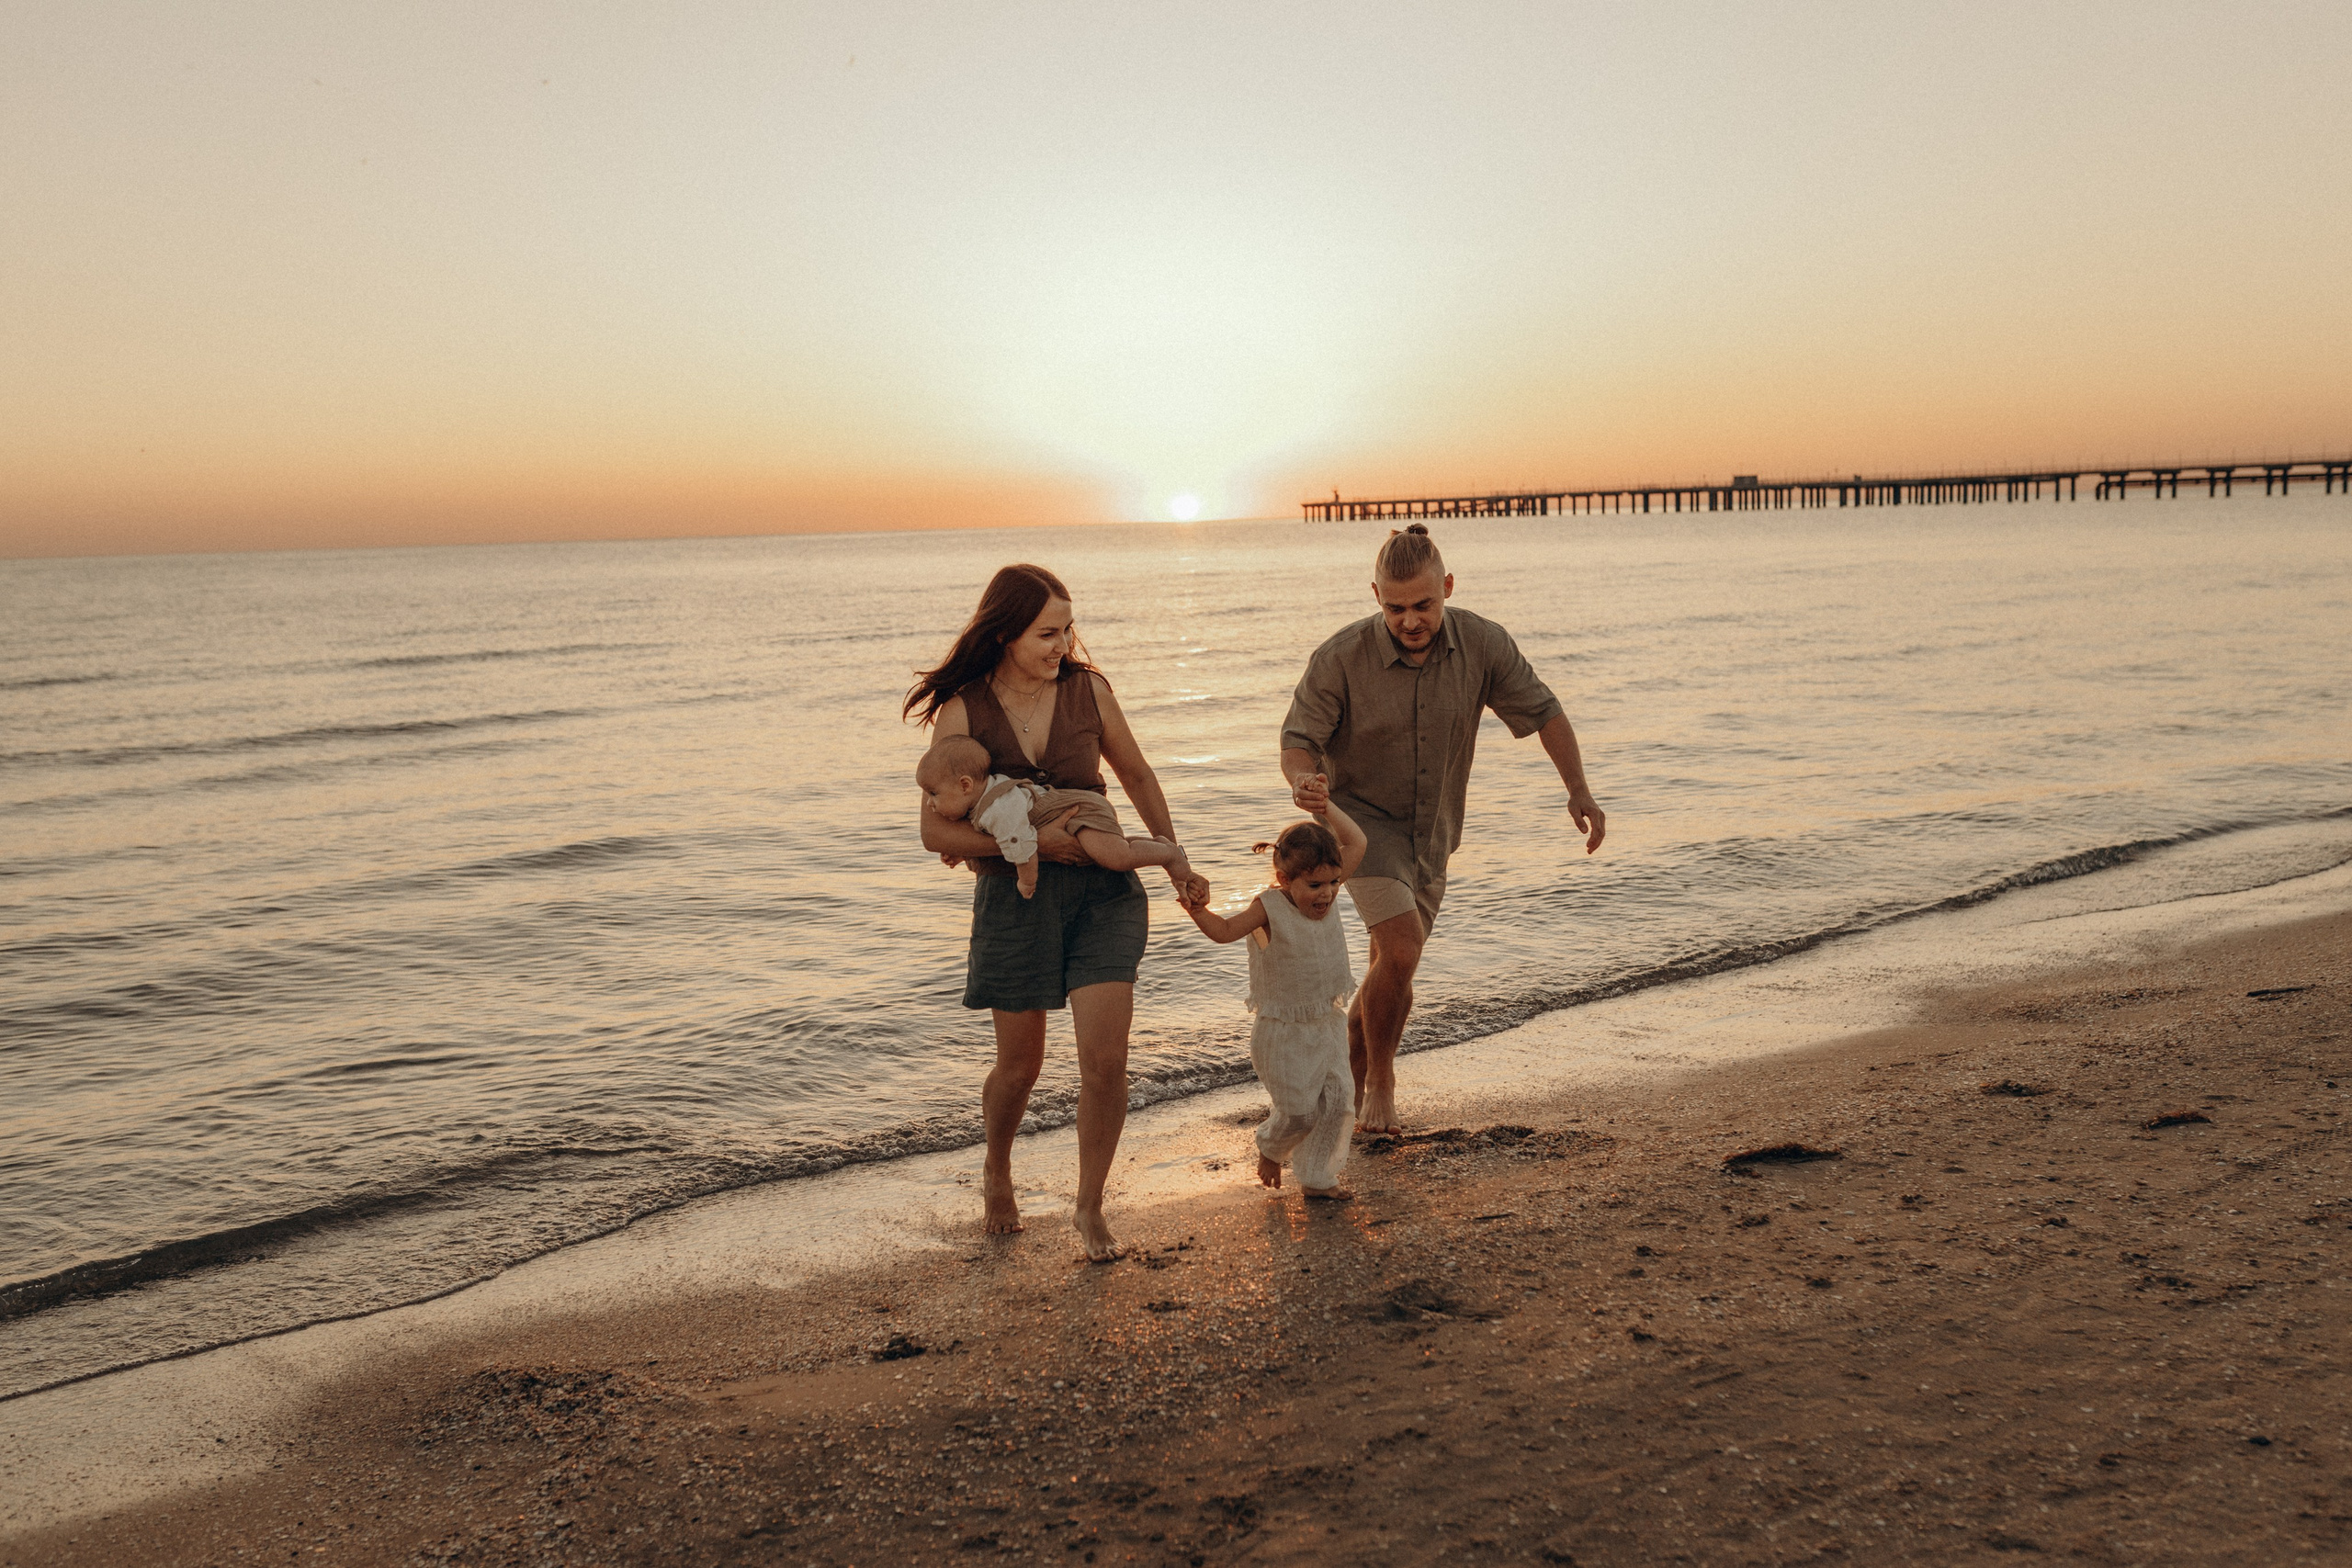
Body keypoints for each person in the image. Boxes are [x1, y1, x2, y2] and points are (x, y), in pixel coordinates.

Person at [906, 564, 1206, 1261]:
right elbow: (933, 832)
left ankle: (1090, 1204)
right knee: (1020, 1067)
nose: (1062, 643)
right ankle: (998, 1168)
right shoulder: (963, 709)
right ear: (1005, 632)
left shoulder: (1088, 690)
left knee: (1106, 1060)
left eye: (1068, 628)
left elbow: (1136, 774)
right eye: (1047, 631)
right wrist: (1028, 843)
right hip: (1018, 900)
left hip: (1105, 898)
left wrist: (1177, 858)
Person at [1279, 523, 1605, 1134]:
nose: (1409, 620)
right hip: (1360, 828)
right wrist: (1302, 780)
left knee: (1392, 970)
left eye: (1423, 604)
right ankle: (1381, 1083)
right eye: (1394, 607)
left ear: (1447, 587)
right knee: (1400, 948)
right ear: (1375, 594)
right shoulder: (1339, 658)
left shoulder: (1483, 644)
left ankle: (1331, 1101)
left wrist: (1578, 789)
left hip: (1435, 833)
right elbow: (1299, 742)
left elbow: (1545, 711)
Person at [1175, 792, 1368, 1201]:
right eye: (1314, 885)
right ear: (1285, 879)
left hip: (1326, 1023)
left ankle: (1317, 1178)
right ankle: (1270, 1147)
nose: (1327, 894)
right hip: (1282, 1032)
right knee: (1300, 1111)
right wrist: (1197, 911)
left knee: (1337, 1104)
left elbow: (1358, 843)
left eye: (1333, 883)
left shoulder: (1329, 886)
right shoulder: (1269, 907)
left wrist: (1326, 805)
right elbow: (1226, 932)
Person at [915, 733, 1193, 900]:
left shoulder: (996, 808)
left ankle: (1168, 854)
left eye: (933, 794)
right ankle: (1155, 844)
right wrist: (963, 853)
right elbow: (996, 835)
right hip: (1070, 808)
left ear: (965, 785)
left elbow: (1021, 843)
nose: (929, 803)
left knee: (1117, 857)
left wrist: (1027, 881)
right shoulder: (984, 801)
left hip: (1079, 808)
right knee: (1107, 848)